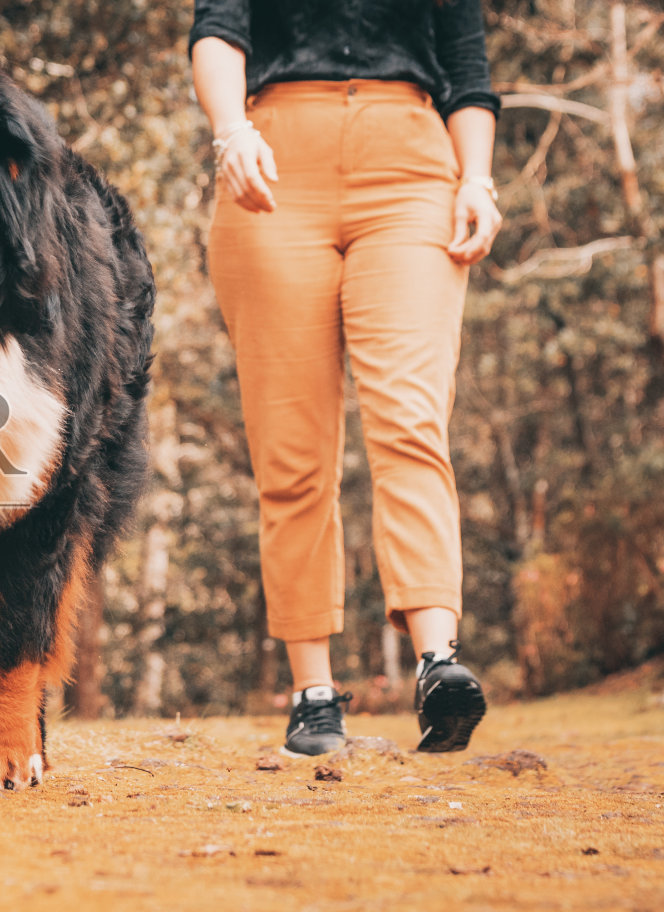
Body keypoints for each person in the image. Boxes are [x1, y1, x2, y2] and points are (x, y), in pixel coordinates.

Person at [190, 0, 502, 755]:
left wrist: (478, 180)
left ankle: (437, 663)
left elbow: (468, 72)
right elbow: (218, 31)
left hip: (412, 169)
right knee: (290, 446)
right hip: (273, 162)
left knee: (410, 418)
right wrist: (231, 132)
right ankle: (314, 695)